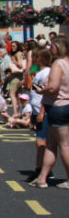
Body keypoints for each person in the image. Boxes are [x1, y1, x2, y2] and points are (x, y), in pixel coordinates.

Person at [30, 36, 69, 189]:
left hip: (58, 106)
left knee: (64, 145)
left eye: (52, 47)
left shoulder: (58, 64)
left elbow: (53, 87)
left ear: (58, 48)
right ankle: (42, 178)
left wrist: (41, 90)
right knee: (51, 144)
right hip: (65, 105)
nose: (50, 49)